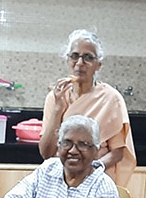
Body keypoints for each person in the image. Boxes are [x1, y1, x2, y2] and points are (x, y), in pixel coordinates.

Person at [39, 29, 137, 187]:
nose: (79, 63)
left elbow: (117, 152)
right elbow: (46, 152)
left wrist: (90, 171)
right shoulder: (56, 97)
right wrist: (58, 109)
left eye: (88, 57)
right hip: (61, 180)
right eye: (74, 56)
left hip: (98, 179)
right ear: (67, 60)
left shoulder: (111, 98)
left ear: (98, 65)